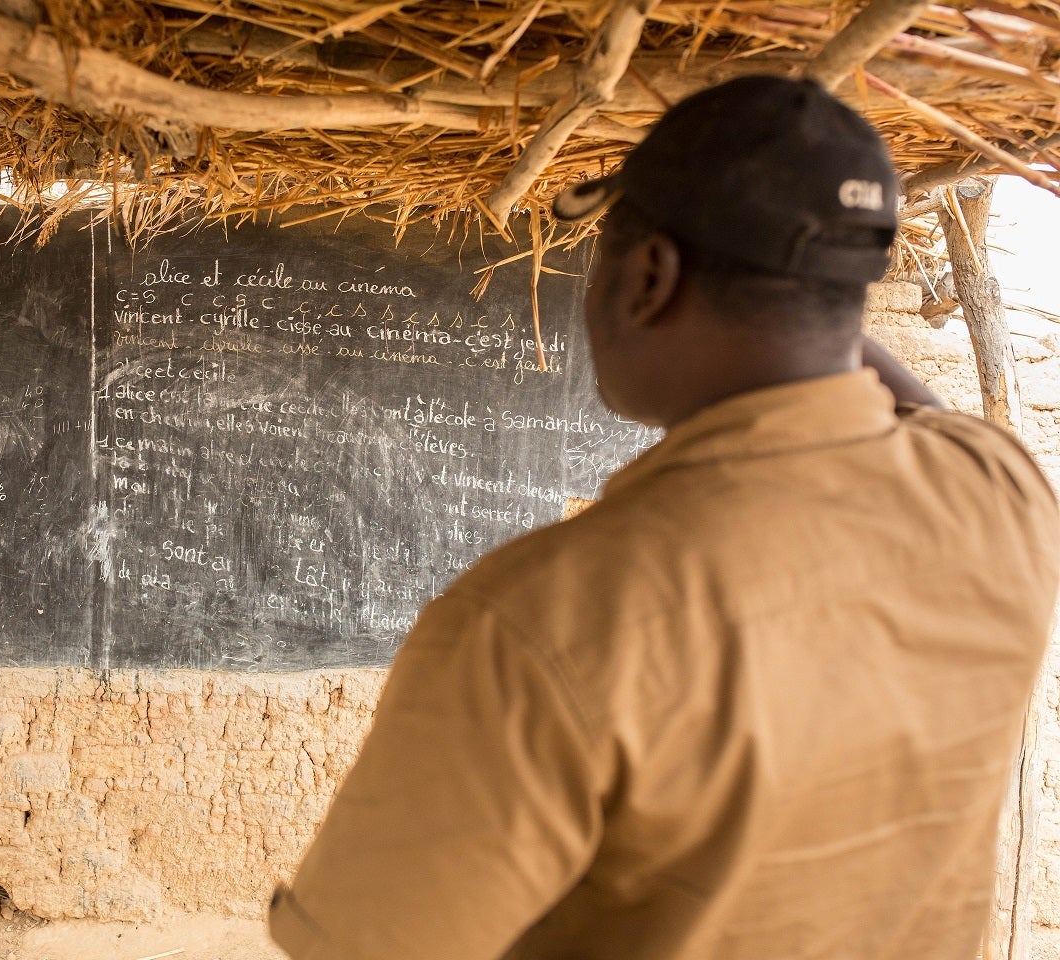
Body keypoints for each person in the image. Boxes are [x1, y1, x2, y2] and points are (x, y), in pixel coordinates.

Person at [268, 75, 1060, 960]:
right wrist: (805, 276)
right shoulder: (1003, 499)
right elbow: (912, 410)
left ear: (647, 275)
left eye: (606, 246)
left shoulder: (537, 626)